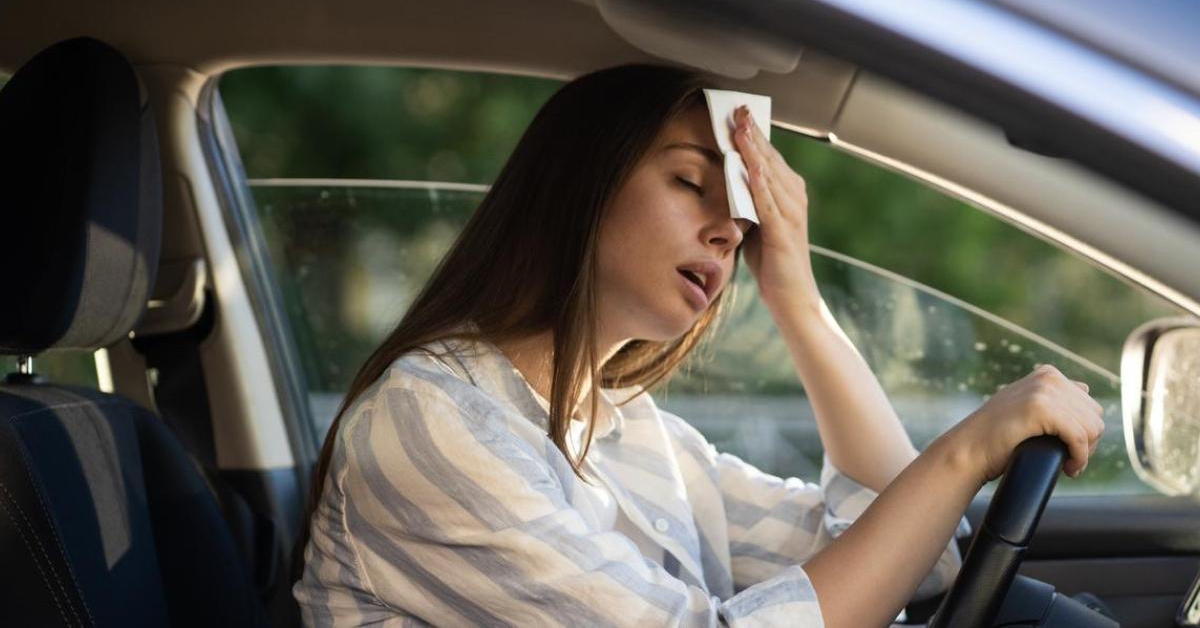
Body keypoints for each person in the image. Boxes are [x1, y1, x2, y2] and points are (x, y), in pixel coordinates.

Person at [293, 63, 1105, 627]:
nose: (727, 229)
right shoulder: (427, 422)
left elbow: (909, 557)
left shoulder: (627, 430)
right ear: (581, 184)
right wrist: (965, 452)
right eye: (689, 181)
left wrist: (799, 298)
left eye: (743, 217)